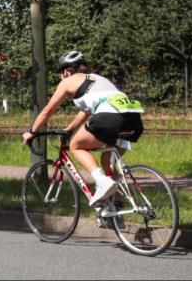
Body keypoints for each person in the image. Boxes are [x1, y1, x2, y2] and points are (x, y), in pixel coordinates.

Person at [21, 51, 145, 205]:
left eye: (60, 73)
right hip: (133, 119)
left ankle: (101, 182)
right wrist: (70, 129)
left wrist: (31, 132)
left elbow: (47, 111)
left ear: (66, 71)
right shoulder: (98, 79)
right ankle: (115, 208)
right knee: (108, 163)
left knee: (76, 145)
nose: (61, 76)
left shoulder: (68, 82)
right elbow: (86, 111)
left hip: (110, 116)